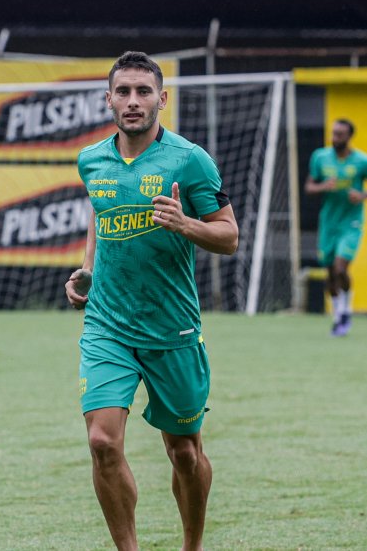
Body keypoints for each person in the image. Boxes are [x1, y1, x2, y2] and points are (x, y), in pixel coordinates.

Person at [64, 51, 238, 550]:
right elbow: (100, 216)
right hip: (108, 326)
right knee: (101, 442)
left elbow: (229, 237)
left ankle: (192, 545)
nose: (133, 101)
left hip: (173, 331)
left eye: (143, 92)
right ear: (108, 99)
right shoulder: (91, 160)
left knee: (184, 452)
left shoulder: (190, 160)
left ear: (163, 99)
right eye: (123, 91)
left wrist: (186, 224)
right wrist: (89, 271)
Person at [303, 119, 367, 335]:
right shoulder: (320, 157)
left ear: (349, 136)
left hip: (351, 222)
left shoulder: (363, 162)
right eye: (333, 133)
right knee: (330, 272)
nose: (335, 137)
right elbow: (309, 186)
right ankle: (338, 316)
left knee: (340, 267)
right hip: (329, 222)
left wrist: (363, 195)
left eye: (340, 134)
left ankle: (346, 309)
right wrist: (322, 186)